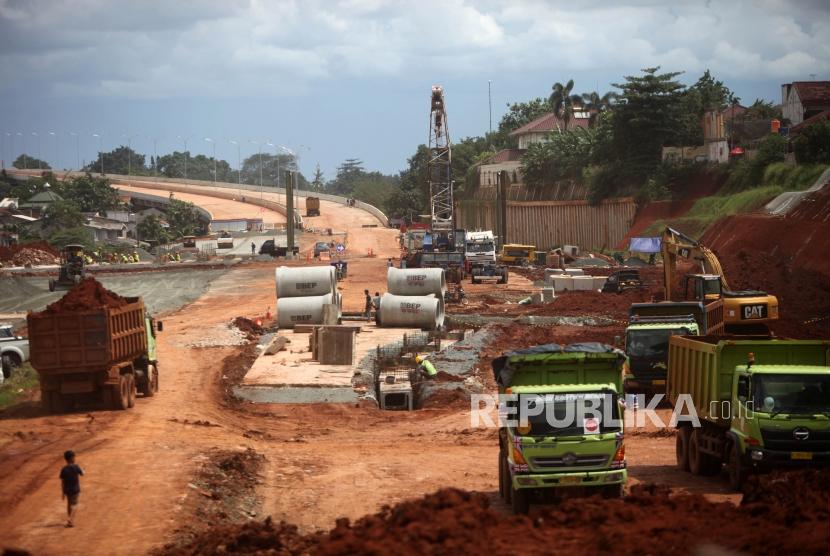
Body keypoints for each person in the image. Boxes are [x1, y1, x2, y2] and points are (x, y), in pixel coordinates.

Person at [59, 450, 84, 528]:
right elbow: (82, 474)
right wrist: (83, 470)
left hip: (67, 490)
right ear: (71, 458)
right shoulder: (76, 466)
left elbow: (62, 482)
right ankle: (70, 519)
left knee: (69, 504)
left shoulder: (64, 469)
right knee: (75, 505)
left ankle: (71, 522)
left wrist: (63, 493)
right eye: (74, 457)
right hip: (75, 489)